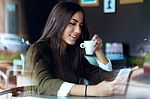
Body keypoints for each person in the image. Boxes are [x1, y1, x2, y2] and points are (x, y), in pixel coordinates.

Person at [24, 1, 125, 97]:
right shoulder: (37, 50)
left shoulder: (72, 54)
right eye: (72, 23)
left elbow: (103, 78)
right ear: (57, 21)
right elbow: (45, 84)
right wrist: (93, 90)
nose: (78, 31)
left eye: (80, 25)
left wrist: (99, 51)